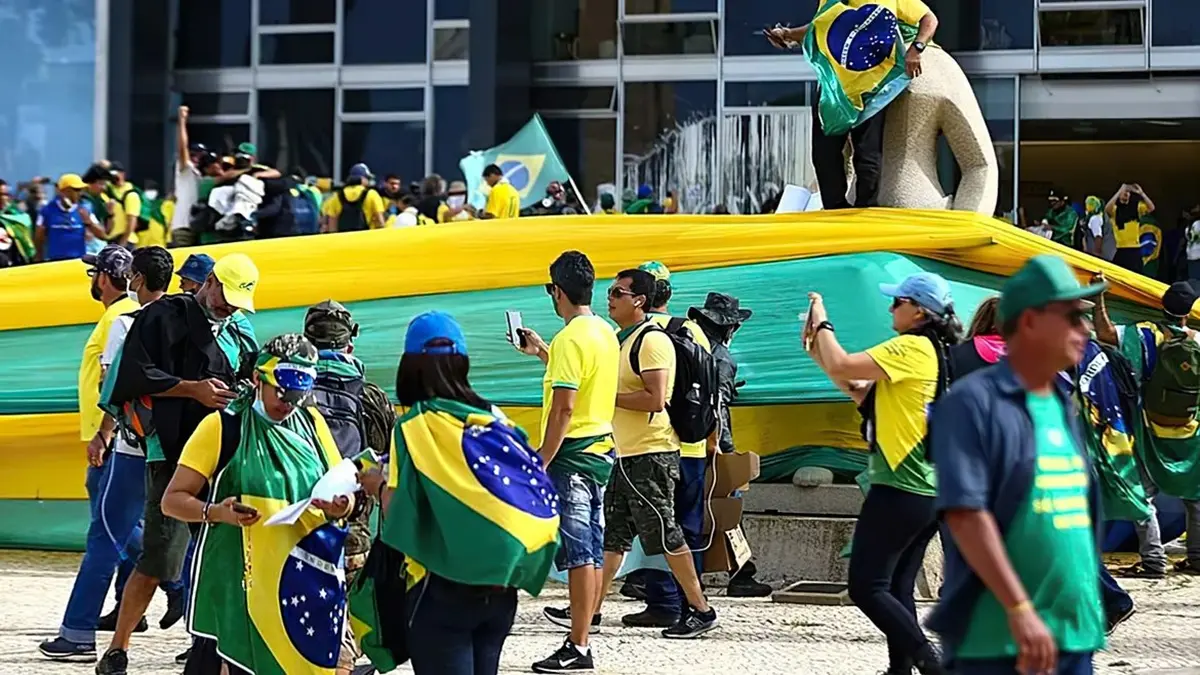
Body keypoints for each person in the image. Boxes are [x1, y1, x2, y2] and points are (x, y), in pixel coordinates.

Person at [929, 255, 1109, 674]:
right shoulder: (972, 404)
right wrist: (1020, 608)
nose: (1084, 330)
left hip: (1073, 632)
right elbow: (966, 515)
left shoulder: (1061, 404)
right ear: (1029, 322)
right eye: (1072, 317)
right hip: (998, 638)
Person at [358, 311, 559, 675]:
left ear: (411, 366)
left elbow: (396, 509)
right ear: (462, 362)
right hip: (500, 590)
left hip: (440, 590)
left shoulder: (414, 426)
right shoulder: (497, 419)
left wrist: (373, 483)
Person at [95, 253, 261, 675]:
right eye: (226, 297)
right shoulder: (163, 316)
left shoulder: (240, 333)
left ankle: (209, 645)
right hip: (171, 454)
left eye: (238, 303)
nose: (229, 308)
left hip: (222, 455)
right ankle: (118, 649)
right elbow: (133, 374)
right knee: (160, 556)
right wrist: (191, 389)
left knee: (221, 557)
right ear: (209, 283)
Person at [161, 334, 354, 675]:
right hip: (240, 582)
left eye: (297, 397)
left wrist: (342, 505)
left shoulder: (313, 425)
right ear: (256, 379)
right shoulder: (223, 427)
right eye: (281, 393)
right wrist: (216, 512)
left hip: (299, 582)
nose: (288, 404)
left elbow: (342, 490)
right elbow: (172, 501)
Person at [805, 272, 960, 675]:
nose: (891, 308)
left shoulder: (910, 347)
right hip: (928, 488)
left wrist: (823, 321)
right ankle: (901, 669)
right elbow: (854, 385)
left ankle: (930, 661)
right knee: (896, 587)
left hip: (901, 486)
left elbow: (842, 362)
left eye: (897, 302)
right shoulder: (933, 351)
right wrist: (815, 348)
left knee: (866, 587)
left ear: (919, 311)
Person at [594, 268, 718, 639]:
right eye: (611, 291)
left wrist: (605, 397)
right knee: (613, 535)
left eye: (618, 292)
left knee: (667, 534)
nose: (610, 298)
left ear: (639, 301)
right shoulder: (622, 339)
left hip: (652, 454)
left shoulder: (651, 341)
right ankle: (591, 609)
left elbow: (656, 397)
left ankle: (701, 609)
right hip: (628, 454)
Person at [515, 252, 619, 673]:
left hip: (571, 456)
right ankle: (581, 634)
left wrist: (542, 457)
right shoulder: (604, 331)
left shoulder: (569, 340)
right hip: (601, 450)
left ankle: (578, 645)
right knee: (591, 550)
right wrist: (542, 351)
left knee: (579, 555)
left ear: (556, 291)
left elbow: (564, 409)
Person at [37, 246, 140, 661]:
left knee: (107, 533)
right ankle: (158, 590)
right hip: (109, 440)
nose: (91, 279)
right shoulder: (117, 316)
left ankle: (78, 632)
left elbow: (111, 387)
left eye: (94, 272)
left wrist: (102, 435)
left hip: (111, 442)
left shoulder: (118, 319)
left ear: (104, 278)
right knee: (123, 530)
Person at [767, 1, 938, 210]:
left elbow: (929, 19)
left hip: (872, 87)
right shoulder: (830, 2)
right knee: (823, 152)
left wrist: (916, 48)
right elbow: (820, 28)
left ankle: (866, 209)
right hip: (835, 87)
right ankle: (835, 207)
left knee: (867, 153)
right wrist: (786, 34)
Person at [1093, 280, 1200, 579]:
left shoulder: (1144, 335)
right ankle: (1197, 557)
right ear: (1188, 312)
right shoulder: (1198, 340)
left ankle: (1153, 561)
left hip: (1149, 428)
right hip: (1190, 430)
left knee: (1145, 495)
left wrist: (1099, 298)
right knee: (1195, 496)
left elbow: (1105, 334)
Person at [686, 292, 773, 598]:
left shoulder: (688, 348)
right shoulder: (722, 357)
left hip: (682, 441)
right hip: (713, 443)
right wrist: (722, 446)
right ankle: (741, 573)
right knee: (728, 507)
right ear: (730, 328)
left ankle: (650, 575)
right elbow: (717, 404)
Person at [36, 174, 107, 262]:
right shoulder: (47, 210)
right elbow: (39, 238)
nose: (80, 193)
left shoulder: (85, 209)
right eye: (76, 190)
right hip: (55, 261)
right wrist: (39, 259)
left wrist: (88, 221)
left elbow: (102, 235)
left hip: (78, 261)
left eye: (81, 190)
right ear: (64, 191)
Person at [170, 106, 206, 248]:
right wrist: (182, 120)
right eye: (194, 154)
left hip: (198, 226)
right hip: (183, 225)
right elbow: (182, 147)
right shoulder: (186, 169)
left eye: (200, 155)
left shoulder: (201, 174)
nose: (197, 157)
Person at [1106, 183, 1155, 274]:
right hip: (1121, 250)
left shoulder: (1136, 208)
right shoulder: (1115, 210)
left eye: (1128, 192)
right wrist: (1119, 190)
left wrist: (1142, 193)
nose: (1126, 193)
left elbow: (1151, 208)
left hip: (1134, 249)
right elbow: (1107, 209)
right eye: (1124, 192)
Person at [323, 163, 385, 232]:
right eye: (367, 178)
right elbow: (380, 222)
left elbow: (332, 226)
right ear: (362, 179)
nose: (368, 181)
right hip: (365, 239)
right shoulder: (372, 194)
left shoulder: (337, 196)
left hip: (344, 239)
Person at [104, 162, 142, 247]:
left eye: (115, 174)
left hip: (125, 240)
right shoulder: (109, 190)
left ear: (122, 174)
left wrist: (123, 241)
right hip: (111, 239)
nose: (113, 177)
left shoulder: (130, 194)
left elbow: (132, 220)